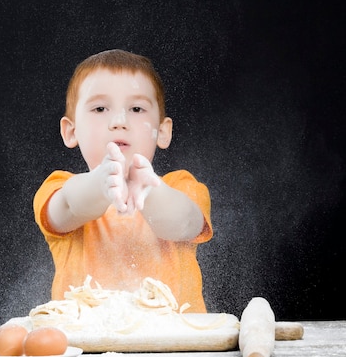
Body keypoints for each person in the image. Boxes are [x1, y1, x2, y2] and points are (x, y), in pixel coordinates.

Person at [33, 49, 213, 312]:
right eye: (100, 108)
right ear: (71, 132)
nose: (119, 121)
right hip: (86, 348)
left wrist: (149, 192)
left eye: (137, 108)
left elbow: (182, 223)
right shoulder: (59, 187)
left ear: (162, 132)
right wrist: (100, 185)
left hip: (176, 348)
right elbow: (69, 208)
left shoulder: (181, 187)